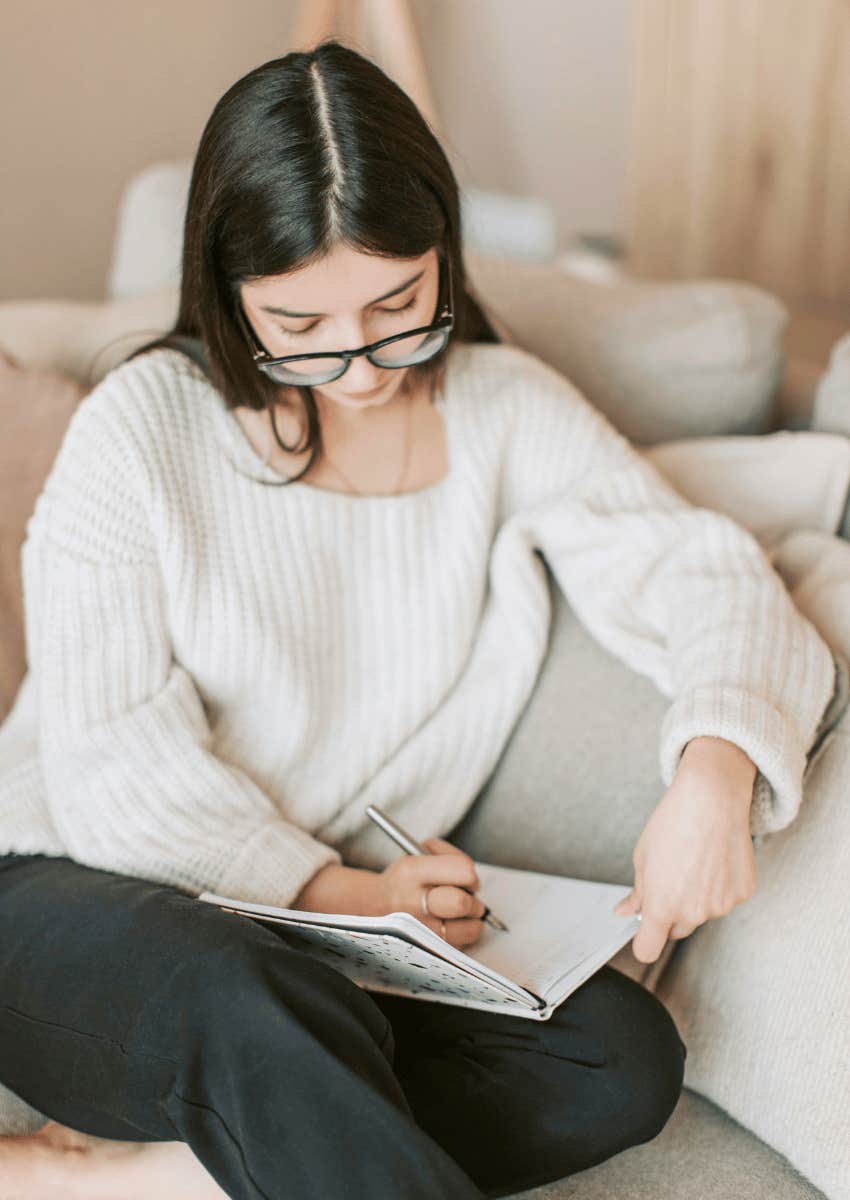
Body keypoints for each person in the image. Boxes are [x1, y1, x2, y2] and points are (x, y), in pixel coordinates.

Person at [0, 38, 838, 1200]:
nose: (358, 368)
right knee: (244, 989)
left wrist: (714, 771)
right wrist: (346, 896)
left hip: (336, 942)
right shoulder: (141, 430)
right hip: (69, 891)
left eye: (398, 305)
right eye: (299, 326)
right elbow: (110, 773)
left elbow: (703, 573)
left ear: (444, 249)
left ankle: (153, 1178)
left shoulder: (505, 412)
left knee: (618, 1053)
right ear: (228, 294)